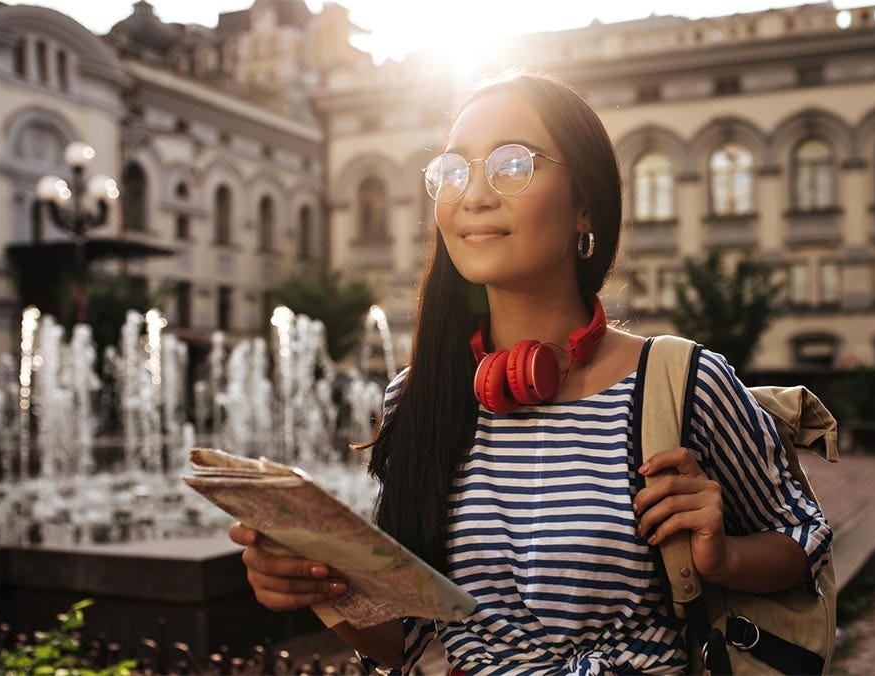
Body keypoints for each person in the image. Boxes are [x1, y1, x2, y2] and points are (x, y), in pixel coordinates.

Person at [229, 69, 832, 675]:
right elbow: (406, 643)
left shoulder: (680, 380)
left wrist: (724, 557)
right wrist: (319, 587)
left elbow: (802, 538)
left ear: (585, 207)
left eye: (513, 165)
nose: (475, 195)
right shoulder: (417, 398)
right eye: (453, 171)